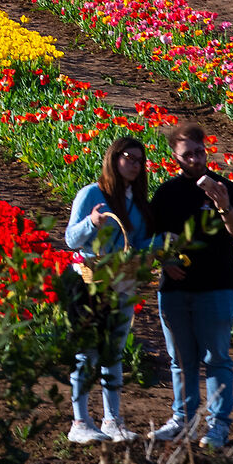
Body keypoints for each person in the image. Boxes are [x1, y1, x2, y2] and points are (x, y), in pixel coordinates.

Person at [149, 122, 233, 447]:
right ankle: (182, 419)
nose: (195, 159)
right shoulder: (167, 193)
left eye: (199, 151)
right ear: (174, 156)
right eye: (187, 154)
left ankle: (218, 425)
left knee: (216, 357)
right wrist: (164, 261)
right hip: (175, 289)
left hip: (218, 285)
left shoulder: (225, 188)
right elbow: (149, 239)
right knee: (180, 359)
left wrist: (223, 206)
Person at [65, 135, 151, 444]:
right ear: (114, 159)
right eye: (128, 157)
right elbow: (71, 240)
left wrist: (159, 247)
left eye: (139, 160)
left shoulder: (138, 203)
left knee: (113, 353)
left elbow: (139, 243)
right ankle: (80, 422)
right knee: (87, 352)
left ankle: (112, 421)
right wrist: (92, 223)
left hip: (122, 282)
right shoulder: (91, 194)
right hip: (89, 282)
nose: (134, 164)